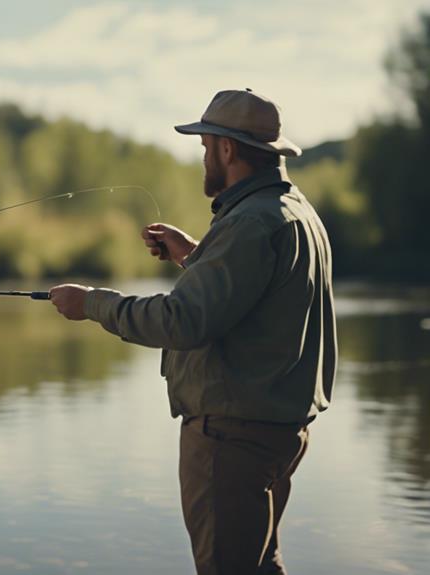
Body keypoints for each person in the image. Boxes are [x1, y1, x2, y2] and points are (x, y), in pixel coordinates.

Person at [48, 89, 337, 575]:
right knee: (260, 566)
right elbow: (255, 290)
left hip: (232, 439)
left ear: (227, 149)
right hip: (278, 431)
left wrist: (92, 303)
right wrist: (194, 253)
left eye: (205, 146)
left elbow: (182, 321)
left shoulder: (250, 224)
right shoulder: (293, 211)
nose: (203, 157)